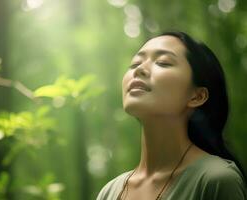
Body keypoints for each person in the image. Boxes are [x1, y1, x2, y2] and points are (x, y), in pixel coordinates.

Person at [96, 31, 247, 200]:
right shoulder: (109, 192)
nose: (139, 69)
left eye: (163, 62)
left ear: (197, 96)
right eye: (134, 64)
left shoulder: (215, 180)